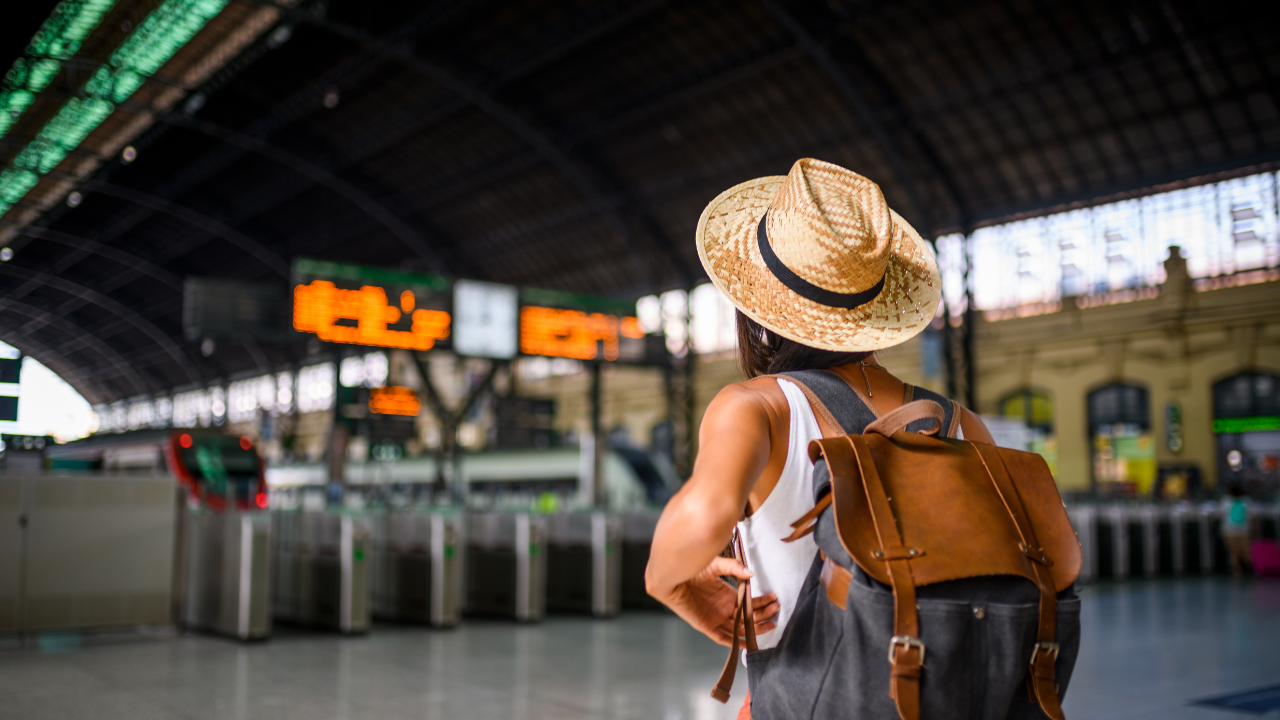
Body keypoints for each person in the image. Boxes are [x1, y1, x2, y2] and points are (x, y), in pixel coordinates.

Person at [645, 158, 949, 719]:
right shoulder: (957, 423)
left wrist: (669, 582)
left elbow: (704, 515)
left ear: (754, 300)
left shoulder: (758, 406)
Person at [1221, 483, 1252, 577]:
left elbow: (1221, 513)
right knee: (1246, 550)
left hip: (1229, 529)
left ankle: (1236, 571)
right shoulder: (1246, 501)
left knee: (1233, 552)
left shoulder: (1226, 501)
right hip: (1244, 529)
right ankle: (1254, 568)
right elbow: (1252, 515)